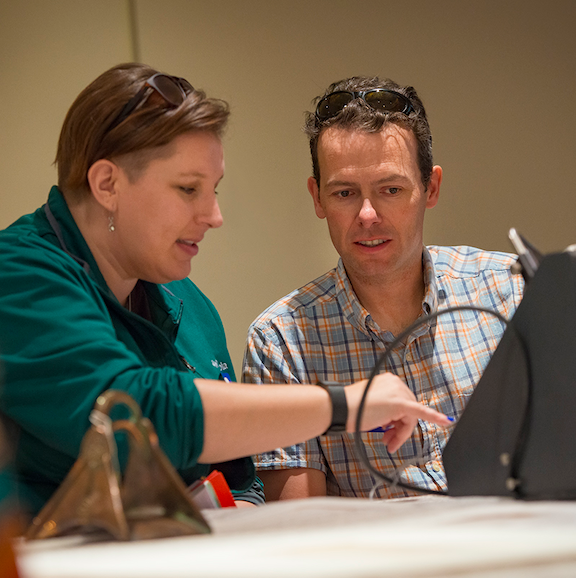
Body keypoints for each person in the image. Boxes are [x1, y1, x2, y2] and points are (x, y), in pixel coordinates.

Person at [0, 64, 451, 516]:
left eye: (212, 190)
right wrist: (342, 404)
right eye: (188, 188)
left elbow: (239, 477)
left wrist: (242, 507)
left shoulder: (189, 305)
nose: (214, 215)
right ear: (107, 184)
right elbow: (135, 414)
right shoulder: (17, 275)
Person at [243, 76, 525, 501]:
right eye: (344, 193)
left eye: (391, 189)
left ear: (430, 188)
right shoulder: (281, 342)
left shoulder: (511, 290)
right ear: (317, 198)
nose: (368, 214)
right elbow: (300, 538)